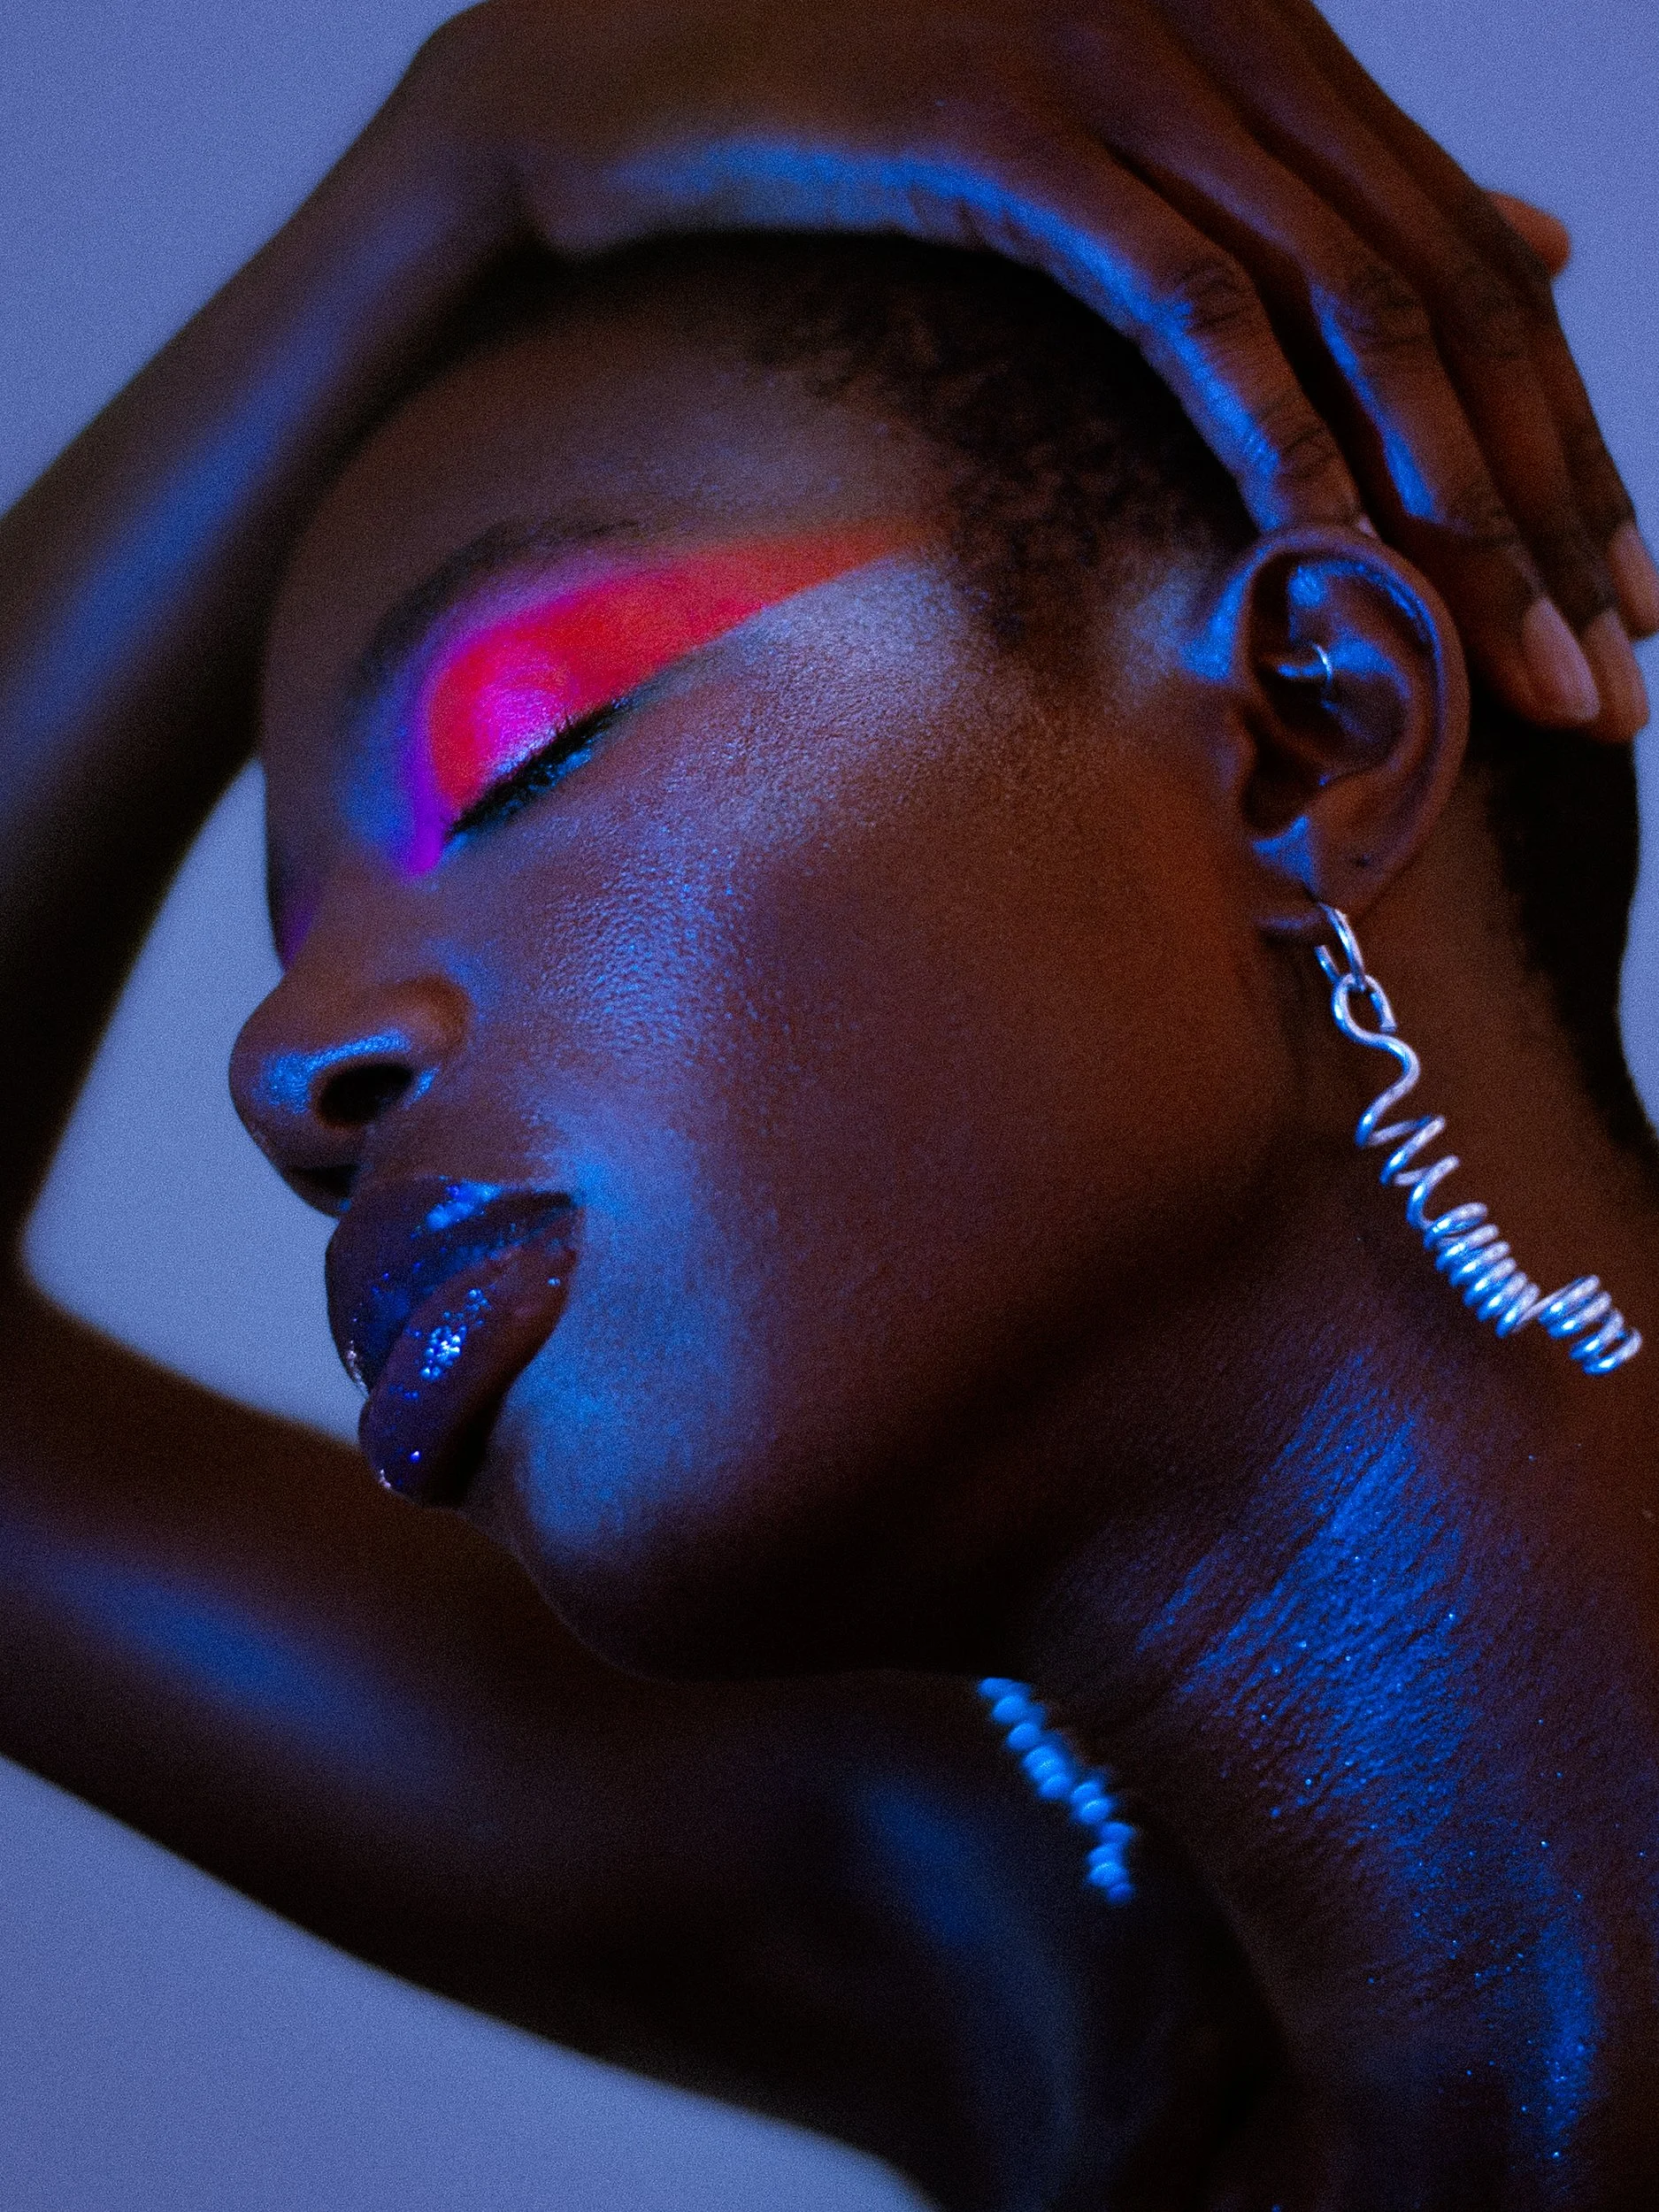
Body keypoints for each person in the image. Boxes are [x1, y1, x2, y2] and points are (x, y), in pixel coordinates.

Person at [3, 5, 1655, 2207]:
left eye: (522, 749)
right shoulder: (1056, 2007)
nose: (286, 1069)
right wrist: (454, 149)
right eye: (297, 931)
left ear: (1309, 729)